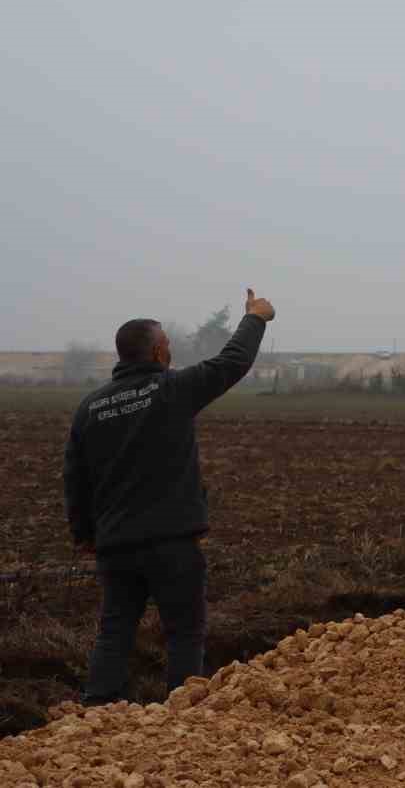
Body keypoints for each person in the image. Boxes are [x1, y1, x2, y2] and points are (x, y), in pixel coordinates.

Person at [63, 289, 276, 703]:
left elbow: (75, 479)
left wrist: (85, 535)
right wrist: (256, 318)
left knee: (115, 630)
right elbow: (231, 362)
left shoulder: (89, 409)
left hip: (116, 546)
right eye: (168, 345)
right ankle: (181, 715)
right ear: (158, 352)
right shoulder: (171, 390)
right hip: (172, 543)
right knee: (184, 632)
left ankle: (98, 710)